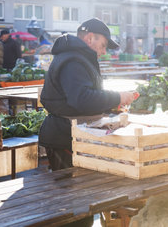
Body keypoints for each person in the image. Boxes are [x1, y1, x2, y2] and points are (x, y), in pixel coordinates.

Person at [39, 18, 137, 170]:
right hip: (65, 138)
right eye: (103, 45)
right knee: (69, 190)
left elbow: (84, 96)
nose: (104, 52)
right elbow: (82, 99)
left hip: (73, 135)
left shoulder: (78, 58)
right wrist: (118, 97)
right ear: (90, 38)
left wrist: (110, 106)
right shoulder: (73, 61)